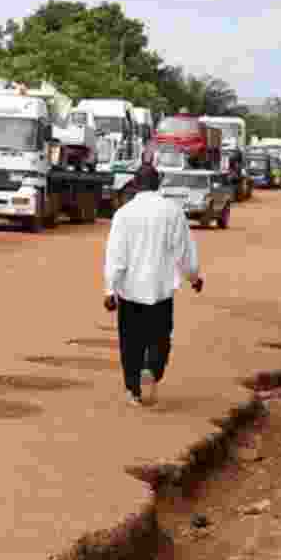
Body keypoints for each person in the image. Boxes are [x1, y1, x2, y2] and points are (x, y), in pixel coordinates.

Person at [103, 164, 204, 407]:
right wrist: (194, 277)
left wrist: (109, 290)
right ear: (158, 184)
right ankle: (152, 370)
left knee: (130, 342)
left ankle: (134, 390)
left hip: (130, 293)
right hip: (160, 291)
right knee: (160, 339)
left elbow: (116, 256)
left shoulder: (124, 214)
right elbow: (184, 252)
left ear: (136, 185)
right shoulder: (173, 212)